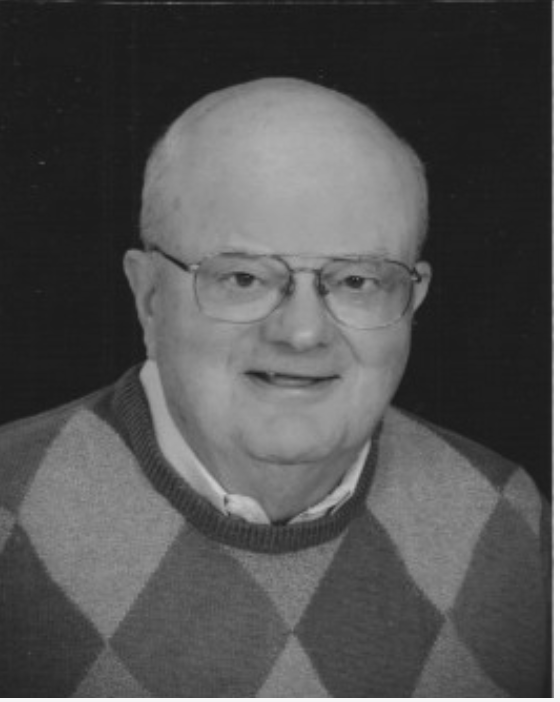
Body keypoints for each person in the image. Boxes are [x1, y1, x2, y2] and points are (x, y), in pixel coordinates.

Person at [0, 77, 550, 697]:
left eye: (358, 281)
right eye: (243, 278)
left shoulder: (513, 526)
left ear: (412, 300)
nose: (303, 333)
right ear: (149, 296)